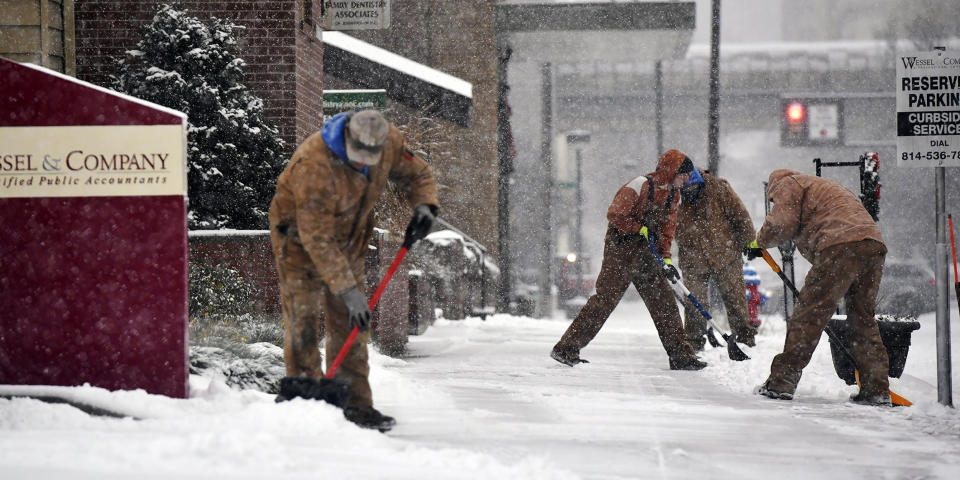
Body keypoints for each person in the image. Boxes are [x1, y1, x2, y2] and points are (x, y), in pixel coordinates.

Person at [268, 109, 439, 430]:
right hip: (297, 241)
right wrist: (347, 290)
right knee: (303, 318)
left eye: (369, 160)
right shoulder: (314, 165)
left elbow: (417, 174)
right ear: (347, 137)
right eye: (357, 158)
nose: (363, 165)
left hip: (350, 238)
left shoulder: (388, 142)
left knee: (352, 324)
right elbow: (316, 238)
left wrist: (425, 206)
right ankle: (305, 404)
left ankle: (356, 405)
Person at [551, 150, 706, 371]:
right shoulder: (640, 185)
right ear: (673, 171)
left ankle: (681, 355)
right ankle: (566, 348)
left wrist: (666, 260)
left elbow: (666, 230)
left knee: (664, 304)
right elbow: (615, 214)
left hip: (648, 255)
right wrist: (638, 228)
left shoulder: (673, 195)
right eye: (683, 176)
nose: (685, 181)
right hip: (621, 251)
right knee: (604, 301)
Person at [747, 169, 890, 405]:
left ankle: (782, 382)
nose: (774, 201)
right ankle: (877, 389)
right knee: (863, 319)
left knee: (808, 314)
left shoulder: (787, 183)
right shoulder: (822, 186)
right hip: (872, 245)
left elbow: (781, 223)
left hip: (841, 244)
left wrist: (758, 242)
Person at [675, 169, 759, 349]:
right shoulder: (674, 193)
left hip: (724, 254)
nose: (689, 195)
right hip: (692, 257)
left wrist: (750, 242)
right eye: (685, 192)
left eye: (693, 190)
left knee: (735, 300)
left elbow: (740, 215)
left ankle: (745, 339)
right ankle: (694, 341)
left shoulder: (719, 188)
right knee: (694, 302)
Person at [742, 263, 765, 329]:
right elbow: (760, 300)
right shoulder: (754, 293)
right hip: (750, 316)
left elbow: (760, 301)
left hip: (750, 316)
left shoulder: (753, 293)